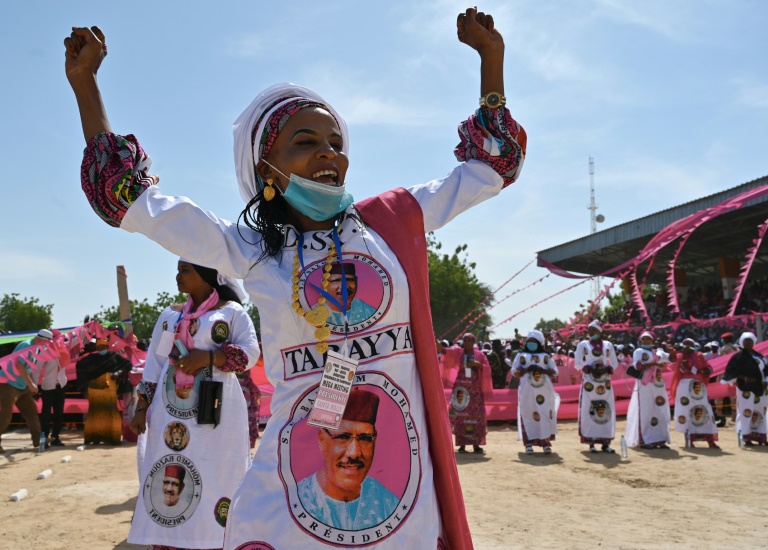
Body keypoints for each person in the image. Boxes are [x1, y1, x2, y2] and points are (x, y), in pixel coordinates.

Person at [65, 7, 525, 548]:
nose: (329, 153)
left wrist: (491, 62)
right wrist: (85, 87)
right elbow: (135, 204)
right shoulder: (253, 250)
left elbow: (490, 169)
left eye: (335, 142)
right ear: (267, 169)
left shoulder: (396, 221)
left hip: (402, 486)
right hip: (291, 487)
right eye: (306, 142)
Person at [128, 260, 259, 548]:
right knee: (169, 473)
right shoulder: (169, 317)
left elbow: (250, 353)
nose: (178, 276)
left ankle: (214, 539)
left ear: (208, 275)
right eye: (177, 269)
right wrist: (141, 408)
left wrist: (209, 357)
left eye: (185, 270)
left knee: (216, 474)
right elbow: (155, 364)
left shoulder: (231, 312)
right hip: (170, 414)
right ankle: (170, 542)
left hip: (217, 412)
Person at [298, 389, 398, 530]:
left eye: (365, 439)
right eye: (342, 437)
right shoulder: (298, 500)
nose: (354, 453)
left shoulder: (387, 502)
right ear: (322, 439)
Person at [439, 333, 492, 454]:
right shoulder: (458, 352)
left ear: (473, 342)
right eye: (465, 340)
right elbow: (444, 351)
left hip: (475, 390)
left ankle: (476, 444)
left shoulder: (479, 355)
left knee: (476, 415)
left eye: (470, 341)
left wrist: (477, 364)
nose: (467, 343)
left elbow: (487, 367)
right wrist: (433, 338)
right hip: (461, 388)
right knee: (460, 415)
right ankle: (462, 444)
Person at [0, 329, 51, 452]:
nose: (47, 345)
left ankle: (38, 440)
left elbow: (28, 368)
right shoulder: (26, 345)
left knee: (31, 412)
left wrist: (30, 383)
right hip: (8, 384)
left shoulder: (36, 348)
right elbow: (19, 365)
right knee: (6, 416)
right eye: (47, 342)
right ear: (40, 339)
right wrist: (31, 383)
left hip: (22, 386)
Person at [511, 330, 559, 454]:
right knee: (528, 414)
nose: (531, 343)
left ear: (539, 343)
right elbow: (514, 371)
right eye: (529, 341)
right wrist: (527, 369)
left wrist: (542, 370)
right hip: (527, 391)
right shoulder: (521, 356)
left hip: (544, 390)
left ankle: (545, 443)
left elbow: (554, 371)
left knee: (544, 414)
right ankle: (528, 443)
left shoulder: (546, 356)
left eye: (534, 341)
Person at [574, 320, 618, 453]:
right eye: (590, 330)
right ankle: (591, 442)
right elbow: (577, 362)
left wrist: (608, 369)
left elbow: (614, 362)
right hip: (590, 381)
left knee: (606, 409)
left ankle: (606, 443)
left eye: (594, 330)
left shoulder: (608, 345)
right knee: (589, 409)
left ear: (600, 331)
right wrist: (586, 367)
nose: (591, 332)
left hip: (604, 382)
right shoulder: (584, 344)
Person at [624, 332, 671, 449]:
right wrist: (653, 363)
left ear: (652, 341)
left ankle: (660, 439)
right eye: (643, 339)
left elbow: (671, 359)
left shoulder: (659, 352)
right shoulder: (639, 352)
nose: (645, 341)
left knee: (660, 409)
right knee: (645, 410)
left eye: (648, 339)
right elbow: (637, 365)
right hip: (644, 384)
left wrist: (673, 354)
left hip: (658, 383)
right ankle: (645, 439)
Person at [671, 338, 719, 449]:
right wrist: (683, 355)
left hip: (698, 386)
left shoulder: (699, 355)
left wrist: (699, 371)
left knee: (704, 410)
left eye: (690, 344)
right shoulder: (679, 357)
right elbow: (682, 370)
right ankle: (689, 440)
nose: (688, 347)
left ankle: (710, 440)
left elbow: (708, 370)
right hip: (685, 388)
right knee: (687, 411)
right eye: (686, 345)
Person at [723, 332, 768, 446]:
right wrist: (745, 378)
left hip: (760, 388)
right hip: (745, 388)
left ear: (754, 342)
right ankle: (746, 436)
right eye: (746, 341)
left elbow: (766, 370)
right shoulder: (738, 356)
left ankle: (761, 436)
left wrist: (766, 381)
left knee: (761, 411)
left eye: (750, 341)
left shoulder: (759, 356)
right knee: (746, 411)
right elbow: (731, 372)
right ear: (742, 342)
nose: (748, 343)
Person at [37, 329, 71, 447]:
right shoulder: (44, 352)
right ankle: (44, 439)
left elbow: (77, 339)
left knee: (59, 413)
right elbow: (36, 369)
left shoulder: (64, 348)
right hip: (48, 387)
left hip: (60, 385)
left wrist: (87, 328)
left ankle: (55, 437)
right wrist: (34, 385)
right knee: (46, 414)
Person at [326, 263, 377, 327]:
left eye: (350, 280)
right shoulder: (314, 313)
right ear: (325, 284)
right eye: (336, 281)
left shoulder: (368, 311)